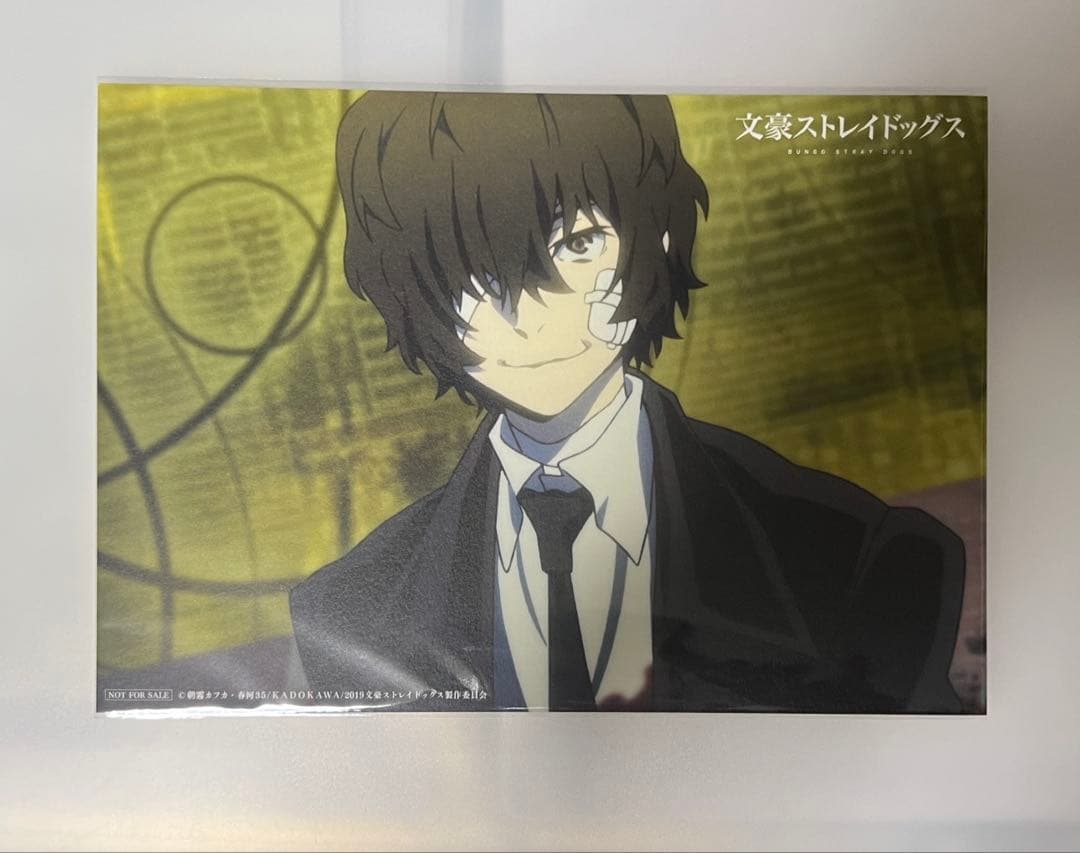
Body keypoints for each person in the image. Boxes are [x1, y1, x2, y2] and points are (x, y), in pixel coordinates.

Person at [289, 91, 966, 712]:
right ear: (407, 292)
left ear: (660, 235)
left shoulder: (855, 561)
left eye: (577, 245)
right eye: (476, 274)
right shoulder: (347, 614)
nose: (532, 316)